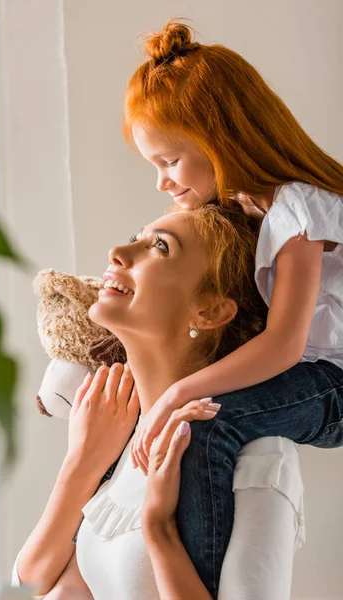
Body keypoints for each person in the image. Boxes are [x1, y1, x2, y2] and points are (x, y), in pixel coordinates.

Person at [123, 19, 343, 597]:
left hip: (334, 382)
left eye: (169, 161)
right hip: (309, 375)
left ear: (220, 138)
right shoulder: (248, 211)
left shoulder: (299, 207)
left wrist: (175, 395)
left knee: (207, 424)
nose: (163, 182)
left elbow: (284, 344)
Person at [12, 202, 304, 599]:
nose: (118, 252)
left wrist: (159, 527)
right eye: (137, 239)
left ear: (211, 310)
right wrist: (82, 462)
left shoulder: (257, 456)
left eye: (161, 247)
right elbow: (28, 588)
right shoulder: (123, 437)